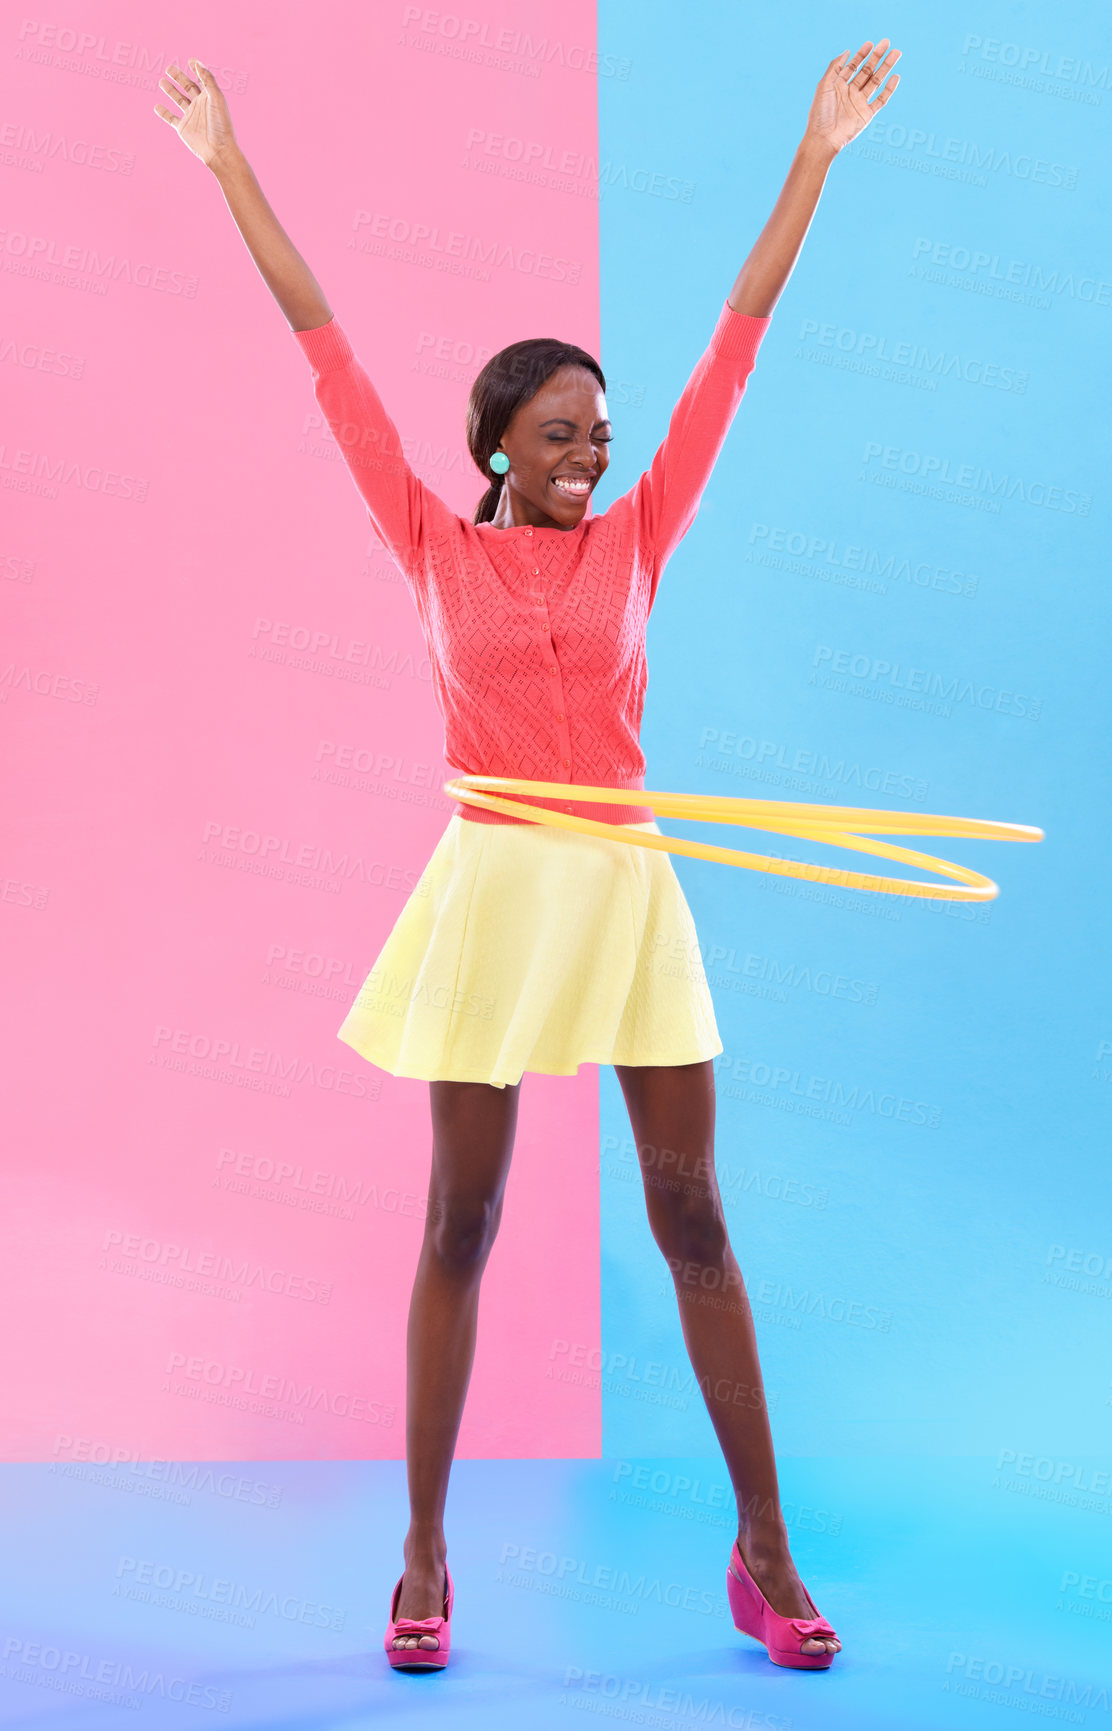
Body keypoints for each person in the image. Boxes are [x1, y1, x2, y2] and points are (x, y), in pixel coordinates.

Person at [154, 37, 900, 1674]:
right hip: (496, 883)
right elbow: (319, 341)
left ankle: (764, 1555)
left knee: (695, 1214)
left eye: (603, 431)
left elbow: (738, 347)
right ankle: (422, 1557)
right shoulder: (426, 538)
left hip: (627, 885)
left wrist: (816, 154)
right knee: (459, 1227)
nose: (594, 451)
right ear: (497, 441)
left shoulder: (642, 535)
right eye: (563, 430)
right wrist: (225, 165)